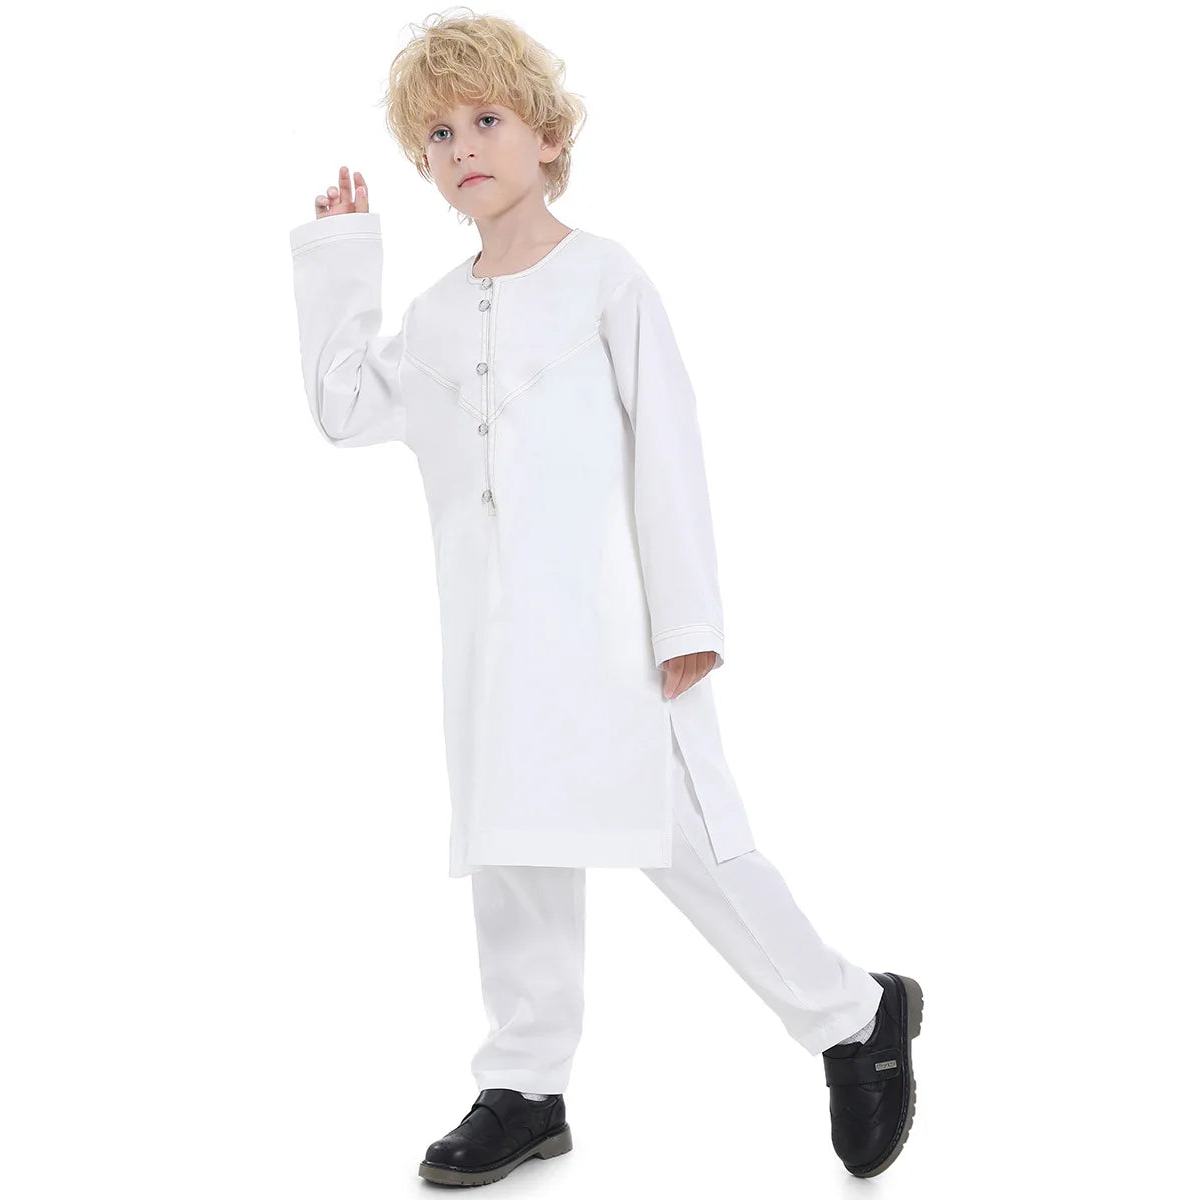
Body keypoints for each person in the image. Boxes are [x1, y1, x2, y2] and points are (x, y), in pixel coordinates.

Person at [286, 7, 922, 1186]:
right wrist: (342, 262)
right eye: (438, 133)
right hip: (493, 649)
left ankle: (852, 1011)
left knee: (693, 846)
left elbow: (668, 447)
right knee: (512, 852)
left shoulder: (605, 281)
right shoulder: (433, 318)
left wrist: (688, 620)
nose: (463, 146)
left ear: (547, 136)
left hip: (618, 639)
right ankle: (524, 1085)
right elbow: (344, 408)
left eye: (487, 119)